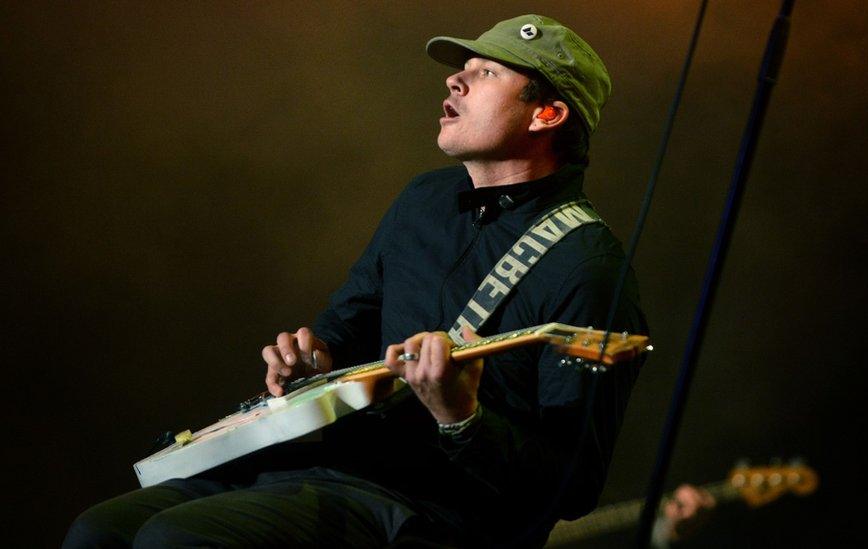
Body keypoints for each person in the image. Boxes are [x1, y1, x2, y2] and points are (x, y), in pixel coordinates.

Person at [64, 14, 646, 548]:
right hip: (338, 466)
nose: (454, 83)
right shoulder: (424, 200)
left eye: (486, 72)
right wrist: (313, 357)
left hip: (433, 514)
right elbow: (351, 317)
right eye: (460, 71)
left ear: (547, 114)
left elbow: (574, 487)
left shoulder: (588, 267)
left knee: (176, 539)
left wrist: (461, 417)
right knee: (99, 530)